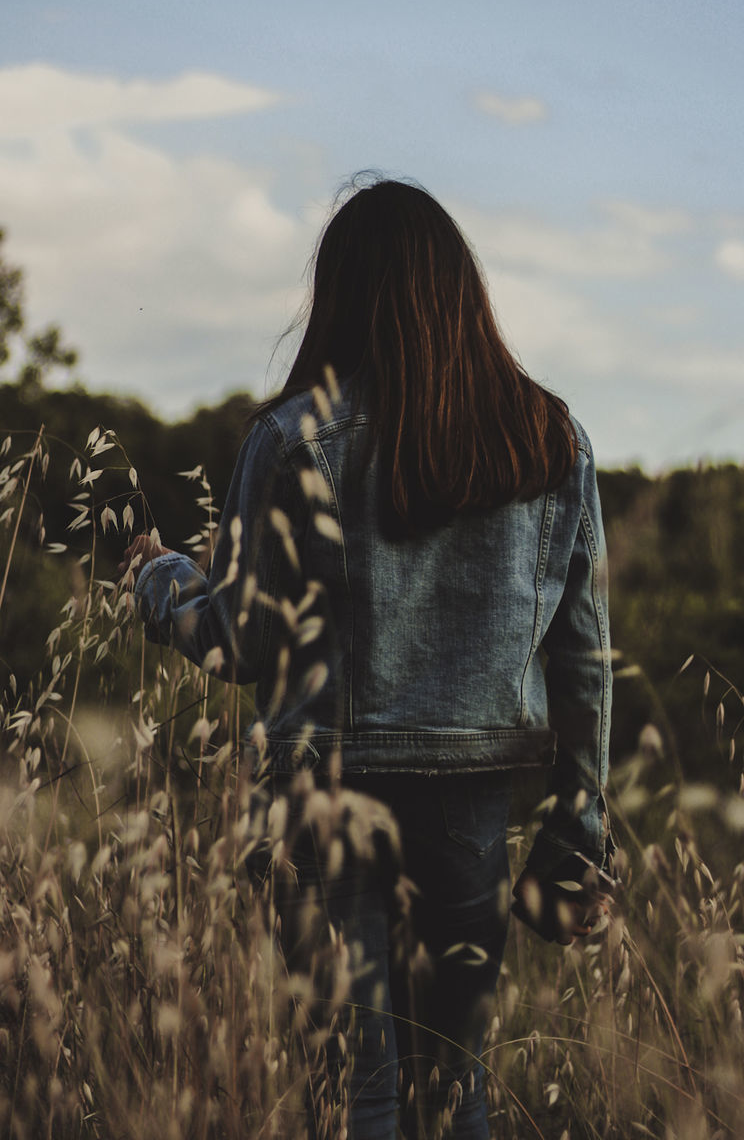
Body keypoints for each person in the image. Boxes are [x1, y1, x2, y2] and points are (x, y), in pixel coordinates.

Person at [120, 176, 616, 1140]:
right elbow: (583, 662)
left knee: (355, 1095)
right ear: (460, 294)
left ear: (339, 292)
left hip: (321, 794)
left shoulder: (292, 437)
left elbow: (239, 640)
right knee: (453, 1087)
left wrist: (161, 581)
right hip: (472, 804)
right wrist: (581, 825)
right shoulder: (550, 439)